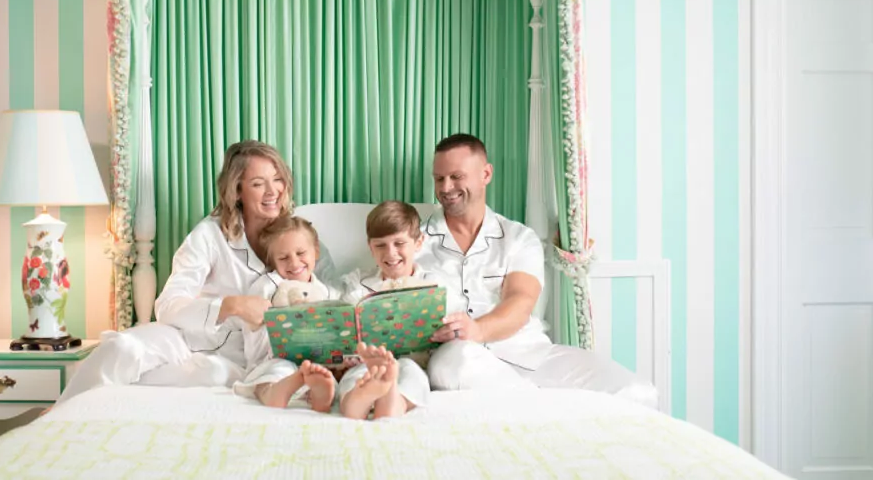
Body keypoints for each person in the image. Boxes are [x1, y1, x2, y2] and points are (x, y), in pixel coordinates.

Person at [57, 140, 337, 405]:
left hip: (238, 361)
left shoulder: (304, 241)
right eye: (257, 183)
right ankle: (60, 411)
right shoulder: (210, 234)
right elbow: (167, 306)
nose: (272, 191)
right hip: (186, 339)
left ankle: (110, 402)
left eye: (277, 179)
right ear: (237, 190)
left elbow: (334, 301)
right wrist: (232, 305)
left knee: (211, 375)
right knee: (123, 347)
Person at [420, 134, 657, 408]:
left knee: (636, 391)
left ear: (486, 174)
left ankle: (530, 402)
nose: (446, 187)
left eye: (456, 176)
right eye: (439, 179)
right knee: (456, 365)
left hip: (527, 352)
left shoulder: (519, 238)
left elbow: (520, 303)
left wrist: (477, 330)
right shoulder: (412, 244)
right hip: (457, 360)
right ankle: (543, 407)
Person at [338, 201, 434, 420]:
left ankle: (392, 395)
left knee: (413, 375)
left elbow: (452, 322)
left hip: (412, 360)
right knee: (355, 376)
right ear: (370, 247)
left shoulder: (432, 283)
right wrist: (346, 355)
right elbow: (343, 328)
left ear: (418, 243)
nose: (391, 254)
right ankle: (359, 400)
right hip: (365, 361)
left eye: (399, 243)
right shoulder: (357, 284)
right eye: (380, 245)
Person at [232, 216, 338, 412]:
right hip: (271, 358)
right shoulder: (267, 285)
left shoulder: (326, 292)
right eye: (283, 258)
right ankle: (277, 391)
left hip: (314, 361)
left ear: (315, 252)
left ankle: (317, 396)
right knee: (274, 372)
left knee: (326, 376)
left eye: (300, 253)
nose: (294, 263)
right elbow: (252, 326)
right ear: (272, 261)